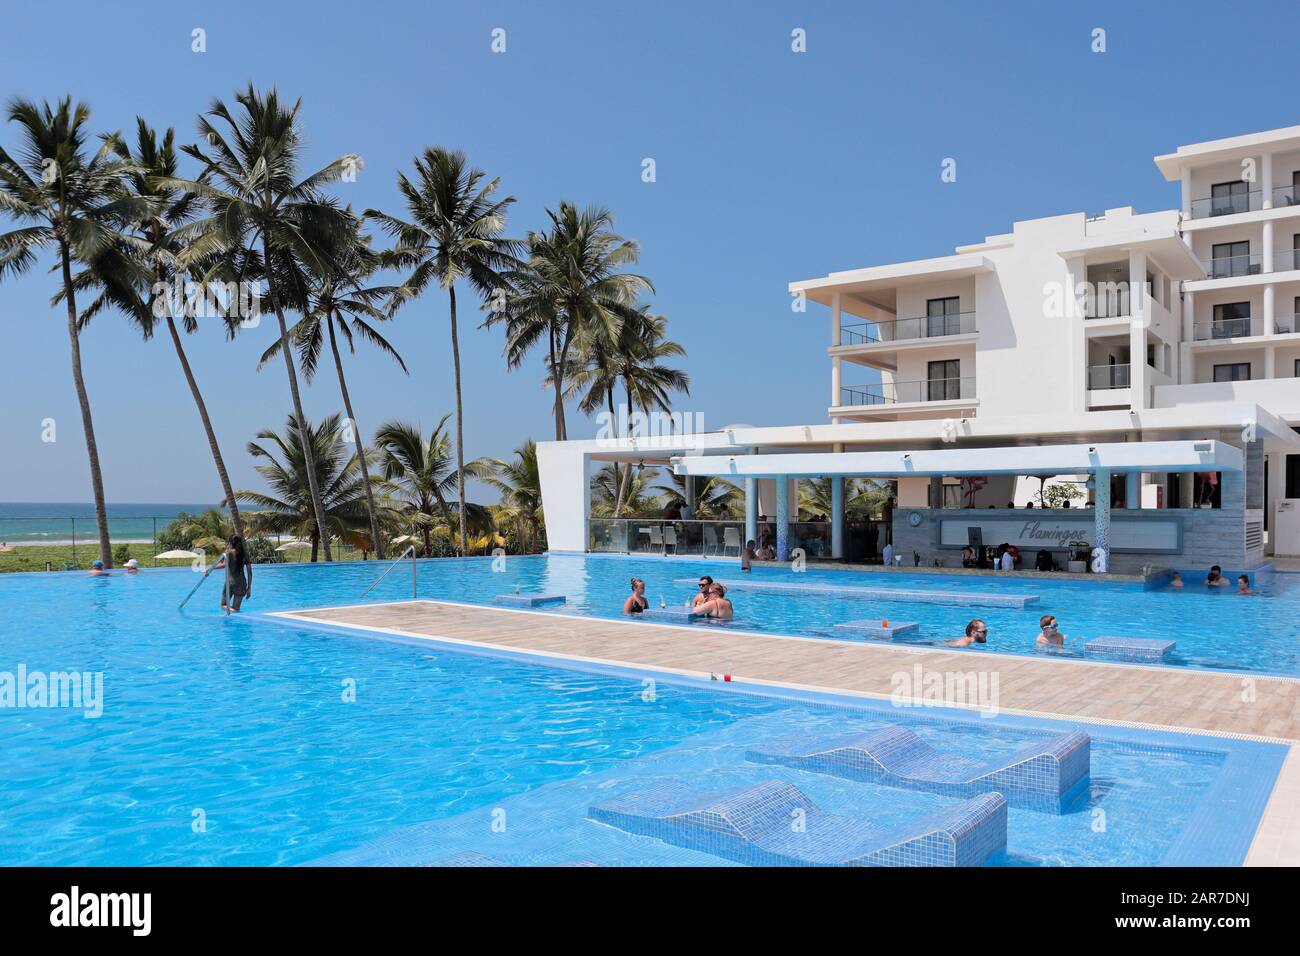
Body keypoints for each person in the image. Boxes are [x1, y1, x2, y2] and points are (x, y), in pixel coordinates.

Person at [208, 534, 253, 613]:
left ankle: (234, 613)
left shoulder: (228, 553)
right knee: (236, 609)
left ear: (231, 543)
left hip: (230, 583)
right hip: (241, 584)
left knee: (223, 605)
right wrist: (249, 588)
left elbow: (223, 565)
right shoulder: (245, 554)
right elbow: (249, 572)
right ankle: (236, 613)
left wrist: (209, 569)